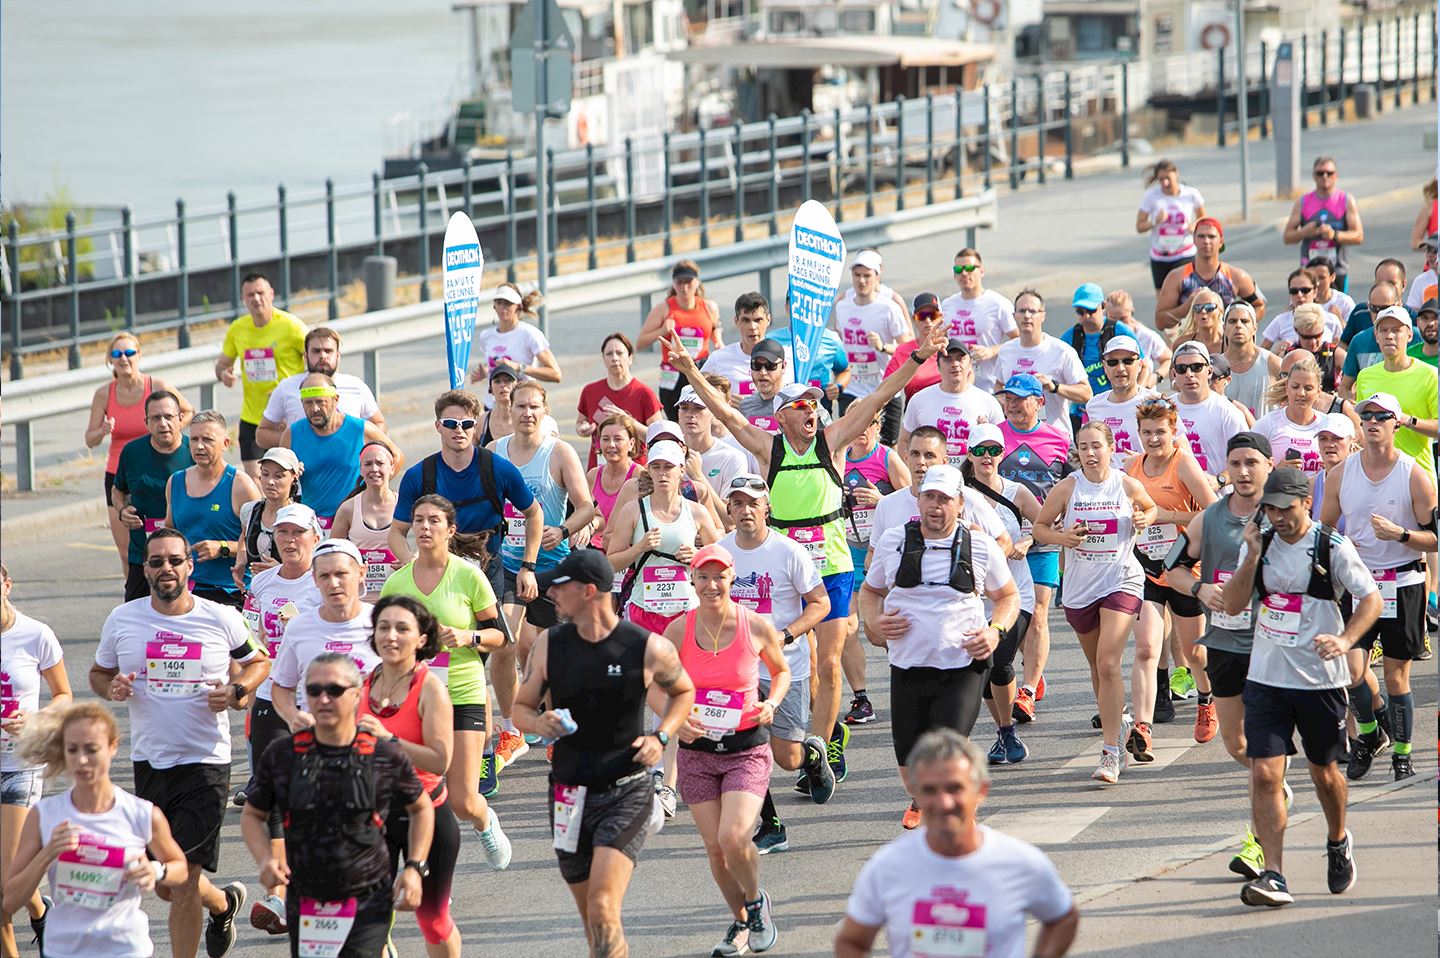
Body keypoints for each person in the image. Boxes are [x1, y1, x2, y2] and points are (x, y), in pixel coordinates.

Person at [669, 322, 949, 788]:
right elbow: (727, 412)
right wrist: (689, 370)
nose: (812, 413)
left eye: (816, 405)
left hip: (834, 565)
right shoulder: (767, 448)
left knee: (829, 659)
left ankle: (821, 748)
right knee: (801, 661)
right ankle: (813, 729)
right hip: (783, 572)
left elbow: (878, 397)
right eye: (803, 407)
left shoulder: (832, 441)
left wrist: (917, 358)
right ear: (781, 416)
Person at [91, 528, 270, 958]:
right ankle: (222, 903)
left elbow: (258, 661)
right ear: (146, 570)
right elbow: (99, 673)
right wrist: (111, 687)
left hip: (206, 759)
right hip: (150, 759)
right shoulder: (124, 619)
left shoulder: (220, 616)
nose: (166, 568)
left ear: (190, 566)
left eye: (175, 560)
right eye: (156, 562)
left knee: (184, 875)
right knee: (167, 882)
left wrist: (237, 692)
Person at [512, 548, 696, 958]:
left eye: (560, 587)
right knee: (593, 920)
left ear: (589, 591)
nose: (551, 595)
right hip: (567, 793)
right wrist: (538, 722)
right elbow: (520, 709)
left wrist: (662, 736)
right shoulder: (547, 644)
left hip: (626, 790)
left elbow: (684, 691)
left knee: (602, 906)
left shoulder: (646, 646)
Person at [1220, 467, 1380, 907]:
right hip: (1267, 679)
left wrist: (1346, 640)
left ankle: (1337, 837)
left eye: (1285, 508)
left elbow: (1372, 600)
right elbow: (1233, 605)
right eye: (1269, 509)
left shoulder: (1332, 546)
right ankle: (1274, 874)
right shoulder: (1261, 545)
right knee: (1265, 773)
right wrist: (1250, 556)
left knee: (1324, 773)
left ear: (1305, 502)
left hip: (1319, 682)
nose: (1278, 517)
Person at [242, 653, 433, 956]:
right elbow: (253, 814)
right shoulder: (283, 754)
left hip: (367, 894)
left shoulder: (382, 754)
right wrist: (265, 858)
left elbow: (421, 808)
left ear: (357, 694)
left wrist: (414, 867)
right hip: (306, 898)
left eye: (335, 690)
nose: (324, 699)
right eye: (314, 691)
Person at [861, 465, 1021, 826]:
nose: (935, 506)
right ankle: (927, 797)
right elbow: (870, 592)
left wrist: (995, 631)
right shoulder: (894, 540)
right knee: (909, 765)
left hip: (963, 664)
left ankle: (956, 814)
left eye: (944, 499)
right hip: (908, 664)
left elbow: (1008, 596)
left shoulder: (979, 545)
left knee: (945, 753)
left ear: (960, 504)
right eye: (929, 497)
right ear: (918, 500)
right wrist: (873, 621)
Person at [390, 388, 542, 760]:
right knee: (442, 648)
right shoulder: (420, 474)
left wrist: (528, 566)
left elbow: (534, 513)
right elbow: (396, 531)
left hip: (489, 566)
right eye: (452, 423)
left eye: (468, 424)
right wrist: (414, 562)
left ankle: (510, 729)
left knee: (503, 644)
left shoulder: (495, 468)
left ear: (476, 427)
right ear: (438, 426)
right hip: (438, 569)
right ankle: (437, 723)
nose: (460, 430)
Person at [834, 728, 1078, 958]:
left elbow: (1063, 917)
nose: (944, 803)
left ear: (981, 790)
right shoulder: (888, 866)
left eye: (955, 788)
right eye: (930, 790)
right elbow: (852, 941)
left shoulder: (1019, 861)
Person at [665, 544, 789, 955]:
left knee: (734, 836)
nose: (711, 584)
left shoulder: (754, 625)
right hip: (697, 753)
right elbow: (652, 682)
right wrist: (675, 721)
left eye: (719, 576)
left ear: (732, 577)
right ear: (692, 580)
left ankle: (756, 904)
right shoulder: (679, 629)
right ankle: (740, 921)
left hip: (746, 749)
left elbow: (781, 670)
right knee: (716, 851)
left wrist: (770, 703)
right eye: (703, 576)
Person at [1167, 433, 1275, 879]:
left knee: (1266, 755)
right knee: (1238, 745)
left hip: (1274, 646)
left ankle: (1260, 842)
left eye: (1252, 462)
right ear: (1226, 468)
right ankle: (1275, 791)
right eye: (1236, 463)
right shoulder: (1209, 518)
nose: (1244, 471)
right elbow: (1169, 569)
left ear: (1269, 465)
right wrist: (1199, 587)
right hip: (1226, 645)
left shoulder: (1282, 515)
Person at [380, 495, 512, 860]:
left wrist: (468, 636)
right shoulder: (397, 583)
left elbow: (500, 637)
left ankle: (485, 822)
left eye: (433, 521)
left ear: (450, 530)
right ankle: (427, 870)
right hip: (415, 699)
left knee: (464, 801)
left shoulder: (469, 575)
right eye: (418, 520)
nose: (424, 527)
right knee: (418, 795)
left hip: (462, 691)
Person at [5, 703, 189, 958]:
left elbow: (180, 869)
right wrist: (47, 854)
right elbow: (11, 900)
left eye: (91, 750)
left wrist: (156, 870)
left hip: (125, 948)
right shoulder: (45, 814)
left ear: (113, 747)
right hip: (64, 949)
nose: (81, 760)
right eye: (72, 750)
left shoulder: (141, 813)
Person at [1033, 422, 1158, 784]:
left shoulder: (1125, 484)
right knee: (1098, 668)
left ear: (1111, 448)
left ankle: (1109, 752)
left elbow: (1150, 510)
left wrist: (1142, 518)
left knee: (1107, 661)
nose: (1089, 454)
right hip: (1080, 586)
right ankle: (1119, 725)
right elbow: (1040, 527)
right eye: (1083, 447)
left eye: (1096, 447)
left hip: (1121, 578)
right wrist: (1063, 537)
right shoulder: (1068, 488)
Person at [1321, 394, 1437, 782]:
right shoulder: (1340, 474)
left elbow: (1434, 539)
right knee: (1351, 670)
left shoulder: (1413, 474)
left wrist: (1401, 534)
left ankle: (1403, 755)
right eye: (1365, 415)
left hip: (1403, 581)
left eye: (1381, 416)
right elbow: (1324, 531)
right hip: (1360, 584)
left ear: (1395, 424)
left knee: (1395, 678)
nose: (1371, 421)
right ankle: (1371, 735)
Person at [717, 475, 832, 853]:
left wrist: (786, 635)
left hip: (785, 667)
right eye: (737, 503)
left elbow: (820, 603)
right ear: (729, 509)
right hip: (737, 670)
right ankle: (772, 825)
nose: (745, 510)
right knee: (744, 749)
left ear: (767, 507)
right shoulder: (720, 552)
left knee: (787, 758)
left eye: (752, 503)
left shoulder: (788, 552)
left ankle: (812, 756)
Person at [493, 381, 597, 773]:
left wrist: (565, 529)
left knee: (552, 652)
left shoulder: (559, 452)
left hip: (552, 563)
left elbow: (587, 506)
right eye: (520, 406)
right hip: (507, 562)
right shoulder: (496, 452)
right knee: (509, 642)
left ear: (544, 409)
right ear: (510, 409)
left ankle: (556, 730)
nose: (527, 414)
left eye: (534, 407)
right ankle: (512, 727)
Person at [358, 596, 462, 958]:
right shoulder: (363, 682)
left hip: (428, 813)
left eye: (403, 628)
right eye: (384, 627)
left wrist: (390, 741)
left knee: (431, 920)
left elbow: (440, 761)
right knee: (368, 919)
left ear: (421, 638)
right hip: (372, 816)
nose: (391, 636)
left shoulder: (429, 687)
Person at [239, 503, 322, 933]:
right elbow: (251, 641)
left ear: (315, 537)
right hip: (272, 697)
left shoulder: (324, 582)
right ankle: (280, 891)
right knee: (270, 795)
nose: (289, 541)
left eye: (298, 533)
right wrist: (244, 687)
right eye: (282, 533)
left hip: (319, 704)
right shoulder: (262, 582)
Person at [1124, 399, 1219, 756]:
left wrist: (1163, 514)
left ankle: (1207, 698)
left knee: (1195, 653)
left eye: (1160, 432)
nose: (1153, 439)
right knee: (1147, 648)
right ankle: (1142, 727)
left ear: (1173, 431)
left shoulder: (1183, 464)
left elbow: (1213, 511)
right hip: (1147, 567)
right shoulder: (1133, 466)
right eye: (1146, 433)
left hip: (1182, 569)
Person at [0, 564, 71, 957]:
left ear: (7, 586)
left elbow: (64, 694)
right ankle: (43, 913)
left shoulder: (35, 634)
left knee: (6, 881)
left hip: (18, 765)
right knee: (9, 883)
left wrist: (37, 718)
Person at [961, 424, 1040, 766]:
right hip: (976, 598)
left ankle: (1006, 732)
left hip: (1016, 593)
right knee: (980, 672)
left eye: (994, 450)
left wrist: (1026, 541)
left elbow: (1045, 523)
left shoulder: (1017, 491)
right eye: (980, 451)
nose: (987, 457)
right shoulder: (959, 495)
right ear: (970, 455)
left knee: (1001, 662)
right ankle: (1005, 731)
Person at [994, 373, 1071, 719]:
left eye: (1019, 398)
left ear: (1039, 401)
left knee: (1039, 611)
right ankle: (1032, 668)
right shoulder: (993, 436)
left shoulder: (1059, 439)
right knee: (1018, 616)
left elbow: (1075, 482)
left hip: (1043, 539)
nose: (1012, 404)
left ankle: (1026, 689)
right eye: (1007, 398)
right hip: (1003, 542)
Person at [86, 332, 194, 571]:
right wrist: (103, 430)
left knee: (170, 543)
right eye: (116, 354)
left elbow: (188, 411)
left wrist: (167, 432)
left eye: (129, 352)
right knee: (128, 552)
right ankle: (134, 594)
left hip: (159, 467)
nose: (123, 358)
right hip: (120, 474)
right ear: (110, 360)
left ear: (139, 356)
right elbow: (89, 439)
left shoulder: (156, 387)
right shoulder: (104, 394)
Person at [607, 439, 723, 634]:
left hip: (686, 611)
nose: (662, 473)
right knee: (644, 665)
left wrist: (698, 555)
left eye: (668, 467)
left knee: (684, 665)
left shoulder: (697, 512)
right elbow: (610, 563)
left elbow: (722, 561)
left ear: (681, 470)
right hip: (643, 609)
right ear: (649, 471)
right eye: (656, 467)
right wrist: (639, 548)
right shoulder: (633, 510)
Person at [270, 539, 381, 738]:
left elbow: (407, 682)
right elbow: (282, 686)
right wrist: (292, 716)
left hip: (372, 743)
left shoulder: (382, 623)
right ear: (314, 579)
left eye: (341, 574)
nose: (333, 583)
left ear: (361, 573)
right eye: (325, 576)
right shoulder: (298, 627)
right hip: (317, 744)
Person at [840, 416, 909, 727]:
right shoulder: (837, 458)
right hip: (848, 552)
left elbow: (912, 500)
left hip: (887, 555)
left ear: (878, 428)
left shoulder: (887, 458)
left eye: (869, 424)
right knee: (847, 628)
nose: (862, 430)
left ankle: (908, 671)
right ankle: (861, 698)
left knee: (881, 631)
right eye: (857, 424)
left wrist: (882, 501)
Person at [164, 411, 262, 608]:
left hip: (230, 592)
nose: (199, 446)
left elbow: (262, 544)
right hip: (187, 590)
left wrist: (223, 548)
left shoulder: (240, 485)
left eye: (207, 439)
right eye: (194, 439)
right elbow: (170, 534)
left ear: (226, 443)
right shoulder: (175, 482)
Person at [215, 272, 308, 478]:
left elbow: (313, 361)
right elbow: (222, 363)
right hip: (252, 417)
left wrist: (292, 391)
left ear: (271, 294)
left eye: (260, 293)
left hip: (284, 418)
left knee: (288, 477)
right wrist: (224, 374)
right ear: (243, 299)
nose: (256, 299)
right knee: (257, 480)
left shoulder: (291, 325)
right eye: (250, 295)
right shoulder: (237, 329)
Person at [279, 373, 400, 528]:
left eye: (320, 402)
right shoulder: (292, 434)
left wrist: (374, 488)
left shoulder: (360, 429)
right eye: (308, 403)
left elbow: (396, 456)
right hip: (313, 523)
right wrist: (292, 475)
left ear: (335, 400)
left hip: (354, 521)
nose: (315, 408)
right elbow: (279, 477)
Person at [112, 390, 195, 602]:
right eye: (156, 418)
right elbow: (117, 490)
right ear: (147, 422)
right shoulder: (132, 452)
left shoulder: (194, 452)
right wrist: (122, 510)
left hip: (183, 557)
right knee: (135, 617)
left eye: (169, 417)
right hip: (143, 553)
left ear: (180, 418)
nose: (163, 423)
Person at [255, 326, 385, 449]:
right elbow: (261, 435)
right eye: (316, 351)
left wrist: (360, 445)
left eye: (328, 351)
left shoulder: (356, 386)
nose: (323, 356)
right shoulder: (286, 387)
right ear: (306, 356)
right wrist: (295, 439)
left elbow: (379, 423)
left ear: (338, 356)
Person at [835, 249, 913, 444]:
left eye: (867, 276)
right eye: (857, 275)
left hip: (884, 388)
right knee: (849, 444)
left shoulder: (888, 307)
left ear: (877, 277)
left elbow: (908, 348)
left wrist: (883, 347)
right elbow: (840, 342)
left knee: (888, 446)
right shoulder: (842, 306)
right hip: (852, 389)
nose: (861, 281)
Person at [1354, 305, 1439, 478]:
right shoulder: (1365, 376)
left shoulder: (1429, 374)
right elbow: (1360, 426)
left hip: (1418, 475)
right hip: (1376, 475)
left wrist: (1407, 420)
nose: (1389, 336)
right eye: (1383, 330)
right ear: (1376, 336)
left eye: (1396, 330)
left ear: (1409, 335)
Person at [991, 289, 1089, 432]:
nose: (1027, 316)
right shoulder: (1007, 350)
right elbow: (999, 385)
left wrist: (1054, 387)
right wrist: (1006, 403)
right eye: (1022, 311)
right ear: (1014, 315)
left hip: (1053, 437)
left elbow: (1086, 393)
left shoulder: (1061, 351)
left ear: (1043, 315)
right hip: (1016, 437)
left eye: (1032, 311)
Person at [897, 337, 1005, 465]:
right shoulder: (919, 399)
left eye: (960, 358)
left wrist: (987, 432)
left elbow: (1002, 445)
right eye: (948, 359)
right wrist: (912, 475)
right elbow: (904, 441)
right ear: (938, 366)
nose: (955, 364)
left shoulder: (988, 402)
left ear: (970, 365)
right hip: (931, 479)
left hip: (971, 479)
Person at [637, 260, 723, 416]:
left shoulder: (709, 307)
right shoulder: (664, 308)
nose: (684, 287)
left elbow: (715, 334)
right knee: (675, 420)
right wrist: (662, 330)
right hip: (673, 371)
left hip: (700, 368)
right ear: (673, 284)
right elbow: (640, 343)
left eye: (688, 282)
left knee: (702, 417)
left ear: (697, 282)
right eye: (679, 282)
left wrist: (718, 343)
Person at [1155, 218, 1266, 329]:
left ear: (1221, 241)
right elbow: (1160, 322)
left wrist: (1240, 324)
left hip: (1225, 343)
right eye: (1201, 236)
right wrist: (1187, 307)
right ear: (1194, 239)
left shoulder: (1236, 276)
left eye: (1211, 237)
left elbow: (1259, 306)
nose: (1206, 241)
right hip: (1191, 342)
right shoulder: (1177, 277)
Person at [1254, 357, 1358, 473]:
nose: (1301, 393)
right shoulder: (1267, 424)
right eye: (1295, 386)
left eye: (1308, 388)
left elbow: (1352, 465)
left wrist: (1332, 469)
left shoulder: (1327, 425)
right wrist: (1276, 471)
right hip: (1280, 490)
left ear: (1318, 392)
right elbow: (1250, 467)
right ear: (1287, 386)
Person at [1066, 282, 1146, 432]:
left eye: (1091, 310)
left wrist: (1136, 400)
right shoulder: (1071, 336)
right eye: (1080, 311)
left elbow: (1144, 365)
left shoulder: (1119, 329)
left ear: (1103, 306)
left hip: (1120, 406)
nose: (1086, 316)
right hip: (1084, 411)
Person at [576, 332, 664, 469]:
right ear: (603, 359)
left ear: (630, 358)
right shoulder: (590, 391)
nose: (614, 358)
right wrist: (583, 429)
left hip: (634, 471)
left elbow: (658, 436)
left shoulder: (643, 393)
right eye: (609, 354)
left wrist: (628, 421)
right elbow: (580, 422)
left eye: (619, 353)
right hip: (599, 470)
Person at [939, 247, 1017, 396]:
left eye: (969, 268)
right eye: (958, 269)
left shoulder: (997, 303)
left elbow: (1019, 340)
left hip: (989, 387)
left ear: (982, 271)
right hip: (956, 387)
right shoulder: (947, 305)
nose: (964, 273)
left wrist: (992, 350)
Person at [331, 441, 401, 601]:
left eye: (380, 463)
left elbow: (424, 545)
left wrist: (411, 559)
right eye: (368, 464)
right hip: (359, 599)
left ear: (391, 468)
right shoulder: (348, 509)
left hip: (397, 597)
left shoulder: (405, 505)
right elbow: (333, 553)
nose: (374, 469)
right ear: (361, 470)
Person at [1283, 156, 1364, 291]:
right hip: (1309, 272)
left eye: (1329, 173)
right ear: (1314, 176)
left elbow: (1358, 235)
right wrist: (1304, 232)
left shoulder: (1346, 200)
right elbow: (1287, 237)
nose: (1325, 176)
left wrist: (1335, 235)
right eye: (1320, 173)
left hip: (1336, 271)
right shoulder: (1302, 202)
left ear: (1336, 175)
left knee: (1338, 310)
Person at [1170, 342, 1250, 474]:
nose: (1189, 374)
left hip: (1218, 493)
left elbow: (1246, 457)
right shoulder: (1165, 408)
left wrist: (1219, 480)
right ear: (1174, 374)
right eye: (1182, 368)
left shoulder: (1227, 411)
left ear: (1209, 371)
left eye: (1196, 367)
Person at [233, 447, 303, 592]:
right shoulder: (249, 510)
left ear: (294, 478)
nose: (270, 481)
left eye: (278, 476)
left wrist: (281, 570)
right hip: (257, 592)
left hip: (291, 593)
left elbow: (313, 564)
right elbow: (244, 536)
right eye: (265, 474)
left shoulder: (301, 517)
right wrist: (240, 563)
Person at [766, 296, 851, 414]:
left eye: (806, 307)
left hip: (819, 409)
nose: (802, 312)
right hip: (784, 409)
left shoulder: (831, 339)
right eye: (797, 307)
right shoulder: (772, 339)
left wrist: (838, 386)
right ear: (787, 308)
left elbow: (844, 371)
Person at [700, 293, 794, 399]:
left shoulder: (789, 356)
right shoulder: (719, 358)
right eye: (746, 320)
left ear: (768, 320)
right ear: (736, 321)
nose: (752, 327)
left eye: (758, 320)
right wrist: (723, 404)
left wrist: (750, 405)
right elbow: (694, 392)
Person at [470, 283, 561, 392]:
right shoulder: (486, 336)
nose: (503, 307)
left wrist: (519, 367)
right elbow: (493, 368)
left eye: (508, 303)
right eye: (499, 302)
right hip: (493, 404)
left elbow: (555, 374)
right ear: (494, 306)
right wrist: (485, 373)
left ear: (519, 306)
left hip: (520, 403)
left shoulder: (529, 333)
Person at [1084, 336, 1161, 460]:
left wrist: (1144, 462)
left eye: (1128, 361)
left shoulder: (1157, 402)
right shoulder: (1093, 405)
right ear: (1104, 366)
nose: (1120, 368)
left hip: (1146, 478)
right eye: (1113, 362)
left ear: (1140, 365)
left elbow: (1180, 452)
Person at [1136, 158, 1207, 291]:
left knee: (1183, 293)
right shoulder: (1151, 196)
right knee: (1162, 297)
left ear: (1176, 173)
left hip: (1184, 253)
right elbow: (1139, 226)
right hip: (1160, 255)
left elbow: (1203, 218)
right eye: (1161, 179)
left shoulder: (1191, 194)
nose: (1165, 183)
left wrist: (1194, 226)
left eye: (1168, 177)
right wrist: (1154, 222)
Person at [676, 387, 749, 499]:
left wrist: (698, 476)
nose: (690, 414)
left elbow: (729, 515)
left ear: (714, 414)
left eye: (699, 408)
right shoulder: (669, 454)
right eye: (684, 408)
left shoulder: (732, 458)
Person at [1337, 280, 1406, 396]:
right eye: (1375, 308)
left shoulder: (1416, 338)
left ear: (1399, 304)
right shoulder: (1358, 341)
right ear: (1368, 306)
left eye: (1387, 308)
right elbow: (1344, 387)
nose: (1381, 314)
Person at [586, 414, 643, 553]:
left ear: (631, 444)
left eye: (618, 439)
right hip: (595, 550)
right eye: (605, 439)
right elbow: (586, 515)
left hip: (626, 552)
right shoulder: (593, 475)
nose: (611, 444)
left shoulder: (640, 476)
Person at [882, 293, 948, 401]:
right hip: (915, 414)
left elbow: (969, 378)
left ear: (941, 317)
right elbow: (885, 389)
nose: (928, 321)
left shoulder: (952, 349)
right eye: (921, 316)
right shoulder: (903, 351)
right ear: (914, 320)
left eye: (933, 315)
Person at [1260, 269, 1343, 350]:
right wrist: (1277, 353)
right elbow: (1261, 353)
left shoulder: (1331, 320)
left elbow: (1343, 350)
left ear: (1315, 292)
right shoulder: (1281, 321)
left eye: (1305, 290)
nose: (1299, 295)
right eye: (1294, 291)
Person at [1104, 291, 1173, 387]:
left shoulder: (1147, 336)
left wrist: (1156, 376)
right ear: (1106, 315)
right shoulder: (1102, 337)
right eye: (1113, 319)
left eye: (1123, 319)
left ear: (1131, 312)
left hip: (1143, 395)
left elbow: (1169, 359)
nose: (1119, 324)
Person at [479, 360, 558, 444]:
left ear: (518, 385)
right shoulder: (483, 421)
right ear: (490, 388)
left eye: (509, 380)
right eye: (497, 381)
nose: (503, 385)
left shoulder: (544, 422)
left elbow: (551, 451)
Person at [1340, 260, 1407, 346]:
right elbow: (1343, 345)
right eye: (1375, 308)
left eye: (1391, 283)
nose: (1385, 287)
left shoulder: (1412, 319)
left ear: (1404, 285)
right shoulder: (1359, 313)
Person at [1282, 303, 1346, 390]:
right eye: (1306, 337)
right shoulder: (1287, 355)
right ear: (1296, 330)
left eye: (1317, 336)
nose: (1313, 342)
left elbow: (1354, 380)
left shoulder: (1336, 354)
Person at [1170, 288, 1227, 356]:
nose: (1203, 311)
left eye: (1209, 307)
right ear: (1194, 315)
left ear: (1221, 312)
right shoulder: (1182, 344)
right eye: (1197, 308)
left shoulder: (1230, 344)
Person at [1407, 297, 1439, 366]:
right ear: (1418, 322)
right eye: (1425, 318)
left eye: (1436, 318)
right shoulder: (1408, 356)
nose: (1430, 323)